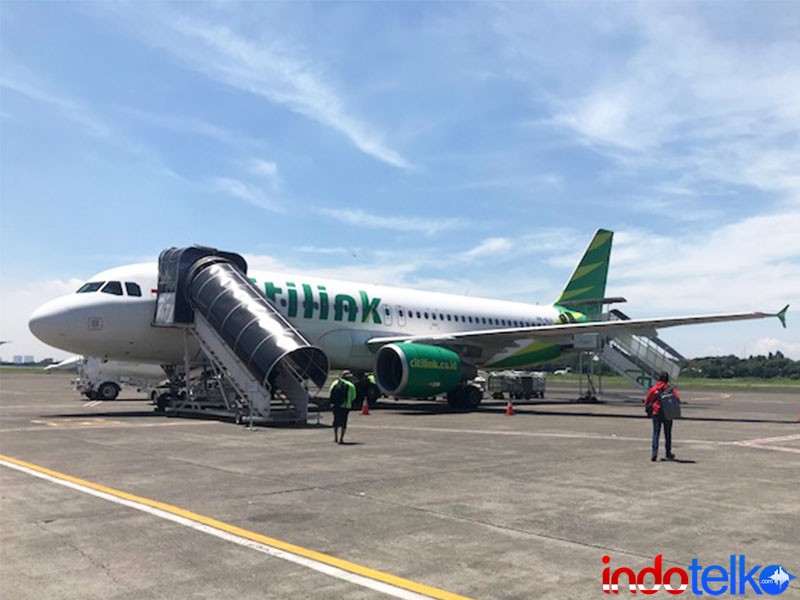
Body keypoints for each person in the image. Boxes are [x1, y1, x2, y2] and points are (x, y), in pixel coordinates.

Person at [644, 372, 680, 462]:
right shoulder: (670, 389)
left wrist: (648, 409)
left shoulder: (654, 388)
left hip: (656, 412)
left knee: (656, 433)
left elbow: (647, 400)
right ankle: (668, 453)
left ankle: (654, 453)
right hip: (667, 413)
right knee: (667, 434)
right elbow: (677, 399)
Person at [330, 370, 356, 444]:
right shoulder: (351, 385)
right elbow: (353, 397)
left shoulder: (335, 382)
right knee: (344, 422)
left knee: (336, 420)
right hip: (346, 406)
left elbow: (331, 391)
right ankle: (341, 438)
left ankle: (335, 437)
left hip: (335, 405)